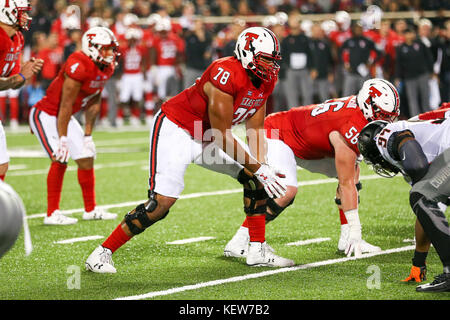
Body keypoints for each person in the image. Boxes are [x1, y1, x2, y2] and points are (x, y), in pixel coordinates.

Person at [85, 27, 293, 274]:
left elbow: (256, 129)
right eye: (266, 59)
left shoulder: (267, 79)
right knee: (161, 203)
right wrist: (259, 168)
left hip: (206, 133)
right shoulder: (225, 72)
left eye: (273, 61)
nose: (271, 66)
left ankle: (256, 250)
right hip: (179, 128)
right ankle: (102, 252)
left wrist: (263, 167)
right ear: (247, 52)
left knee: (255, 179)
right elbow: (221, 134)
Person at [223, 78, 400, 258]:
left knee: (353, 171)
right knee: (286, 191)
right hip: (276, 133)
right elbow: (346, 184)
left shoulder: (360, 112)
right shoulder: (350, 124)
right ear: (369, 106)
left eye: (390, 115)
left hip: (305, 143)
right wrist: (357, 231)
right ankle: (240, 240)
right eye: (383, 114)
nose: (387, 120)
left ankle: (346, 238)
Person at [28, 26, 119, 225]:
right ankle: (52, 213)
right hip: (47, 114)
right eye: (106, 49)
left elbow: (94, 101)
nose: (110, 53)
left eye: (112, 49)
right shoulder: (79, 63)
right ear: (92, 48)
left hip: (64, 115)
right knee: (60, 157)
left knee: (86, 157)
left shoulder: (106, 67)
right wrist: (62, 138)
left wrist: (87, 135)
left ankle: (90, 209)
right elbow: (66, 104)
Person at [357, 119, 450, 292]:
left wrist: (424, 184)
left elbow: (415, 159)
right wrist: (418, 262)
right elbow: (428, 215)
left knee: (421, 195)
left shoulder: (383, 138)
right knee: (424, 196)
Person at [0, 0, 44, 182]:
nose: (25, 16)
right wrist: (19, 77)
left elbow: (14, 83)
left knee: (2, 163)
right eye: (21, 12)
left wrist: (24, 75)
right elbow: (14, 80)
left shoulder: (17, 37)